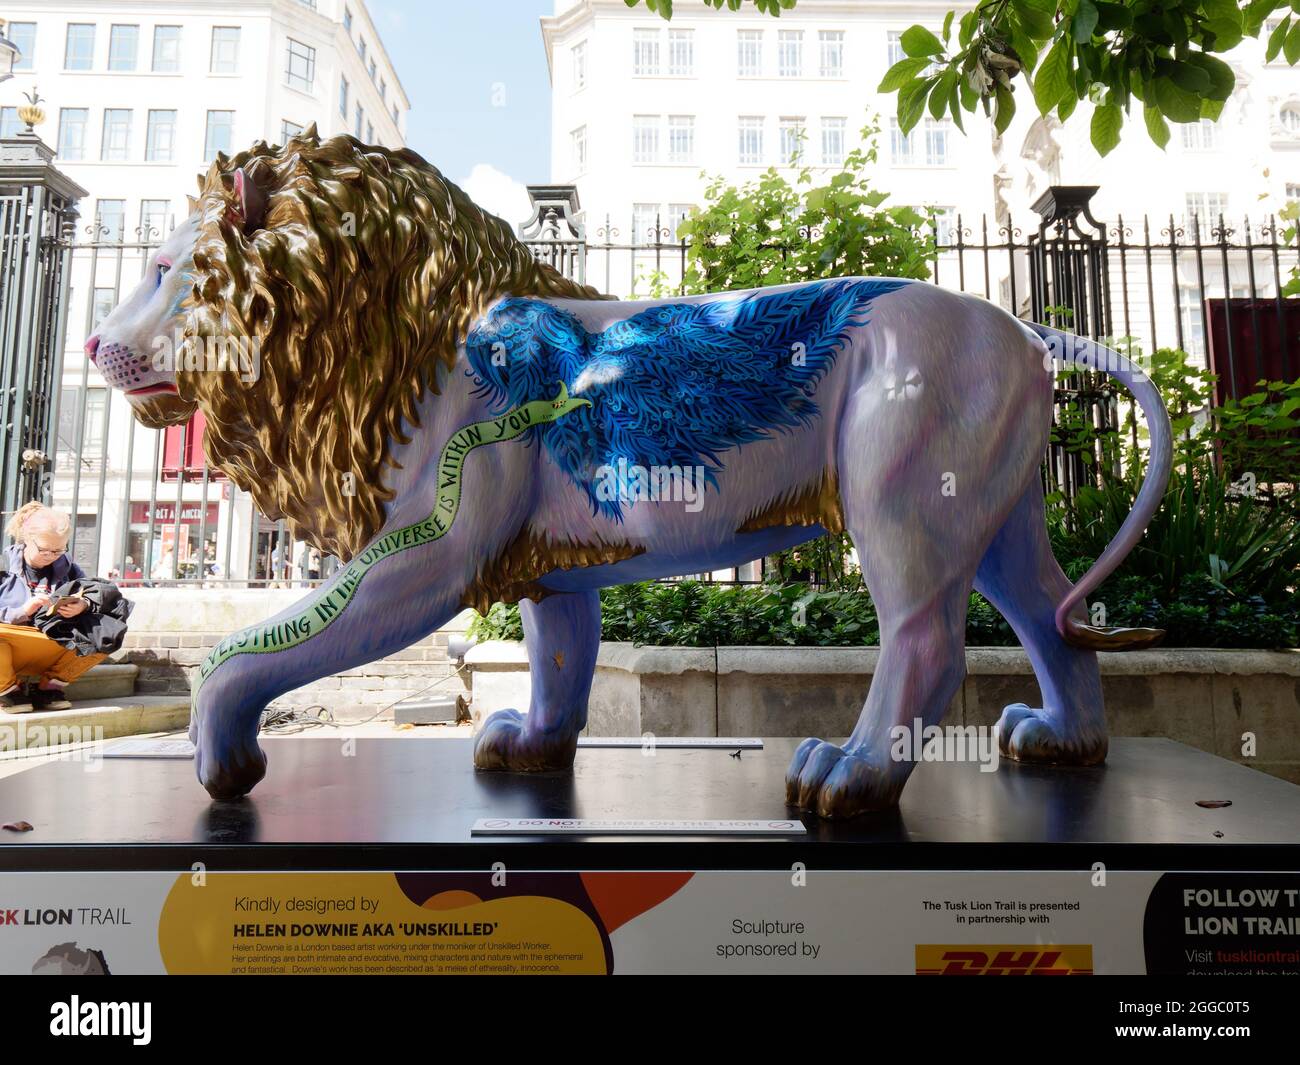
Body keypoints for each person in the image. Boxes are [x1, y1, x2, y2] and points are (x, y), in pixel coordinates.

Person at [0, 502, 108, 713]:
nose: (51, 556)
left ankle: (50, 686)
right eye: (44, 550)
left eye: (59, 550)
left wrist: (83, 605)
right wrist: (22, 611)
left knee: (106, 633)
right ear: (26, 539)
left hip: (51, 641)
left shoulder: (68, 568)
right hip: (10, 643)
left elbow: (93, 596)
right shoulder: (3, 565)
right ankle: (7, 689)